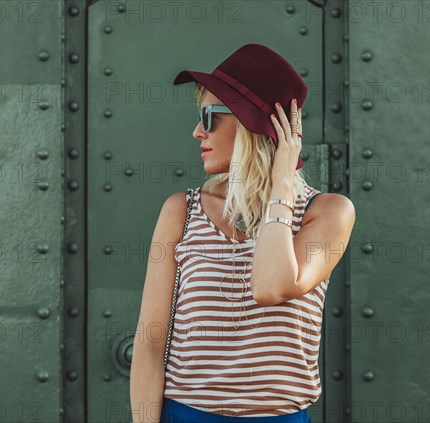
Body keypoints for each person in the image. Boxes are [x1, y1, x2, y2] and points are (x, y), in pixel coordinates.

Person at [130, 44, 356, 423]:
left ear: (251, 122)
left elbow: (270, 286)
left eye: (208, 116)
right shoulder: (181, 211)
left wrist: (282, 190)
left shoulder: (328, 213)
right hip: (187, 415)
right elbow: (150, 342)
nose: (197, 132)